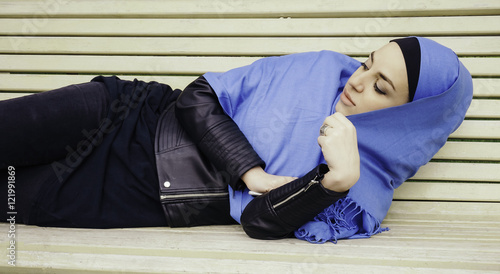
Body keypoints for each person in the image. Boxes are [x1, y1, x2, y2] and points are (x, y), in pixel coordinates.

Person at [0, 37, 472, 243]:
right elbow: (198, 96)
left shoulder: (358, 195)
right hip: (126, 112)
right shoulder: (323, 67)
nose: (358, 80)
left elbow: (259, 222)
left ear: (411, 118)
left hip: (134, 194)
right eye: (369, 63)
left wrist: (335, 180)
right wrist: (253, 172)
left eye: (380, 86)